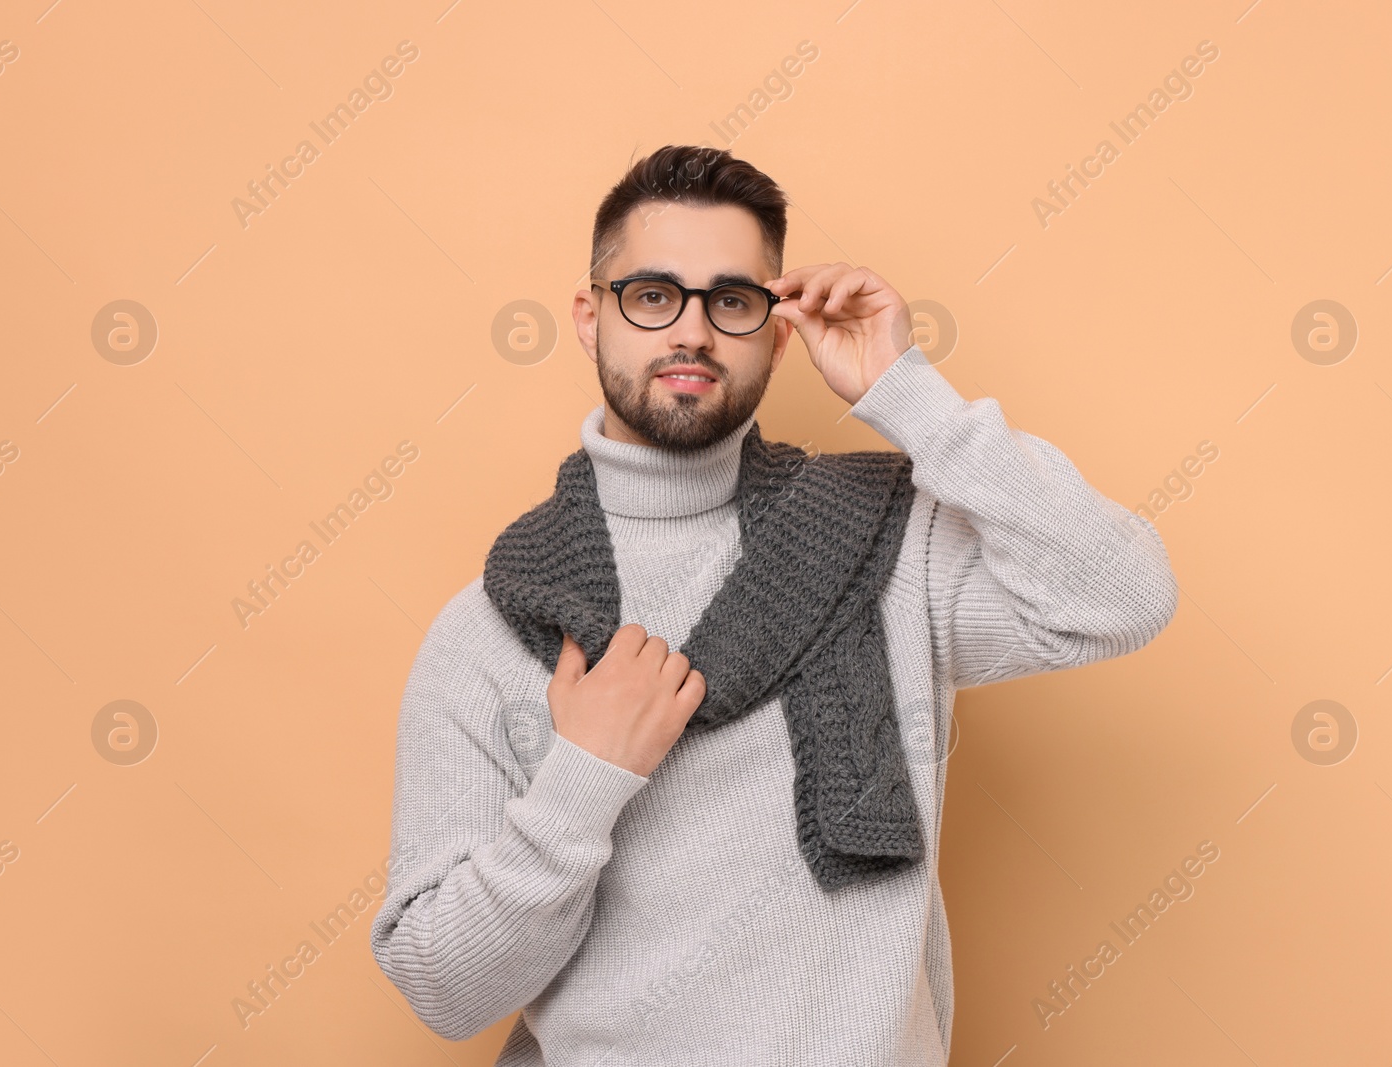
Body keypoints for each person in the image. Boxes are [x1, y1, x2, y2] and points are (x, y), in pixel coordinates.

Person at [370, 144, 1179, 1065]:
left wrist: (906, 391)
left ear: (778, 329)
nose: (692, 333)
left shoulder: (885, 548)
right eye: (651, 296)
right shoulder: (494, 628)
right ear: (591, 320)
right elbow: (442, 987)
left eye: (732, 300)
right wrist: (585, 777)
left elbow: (1121, 596)